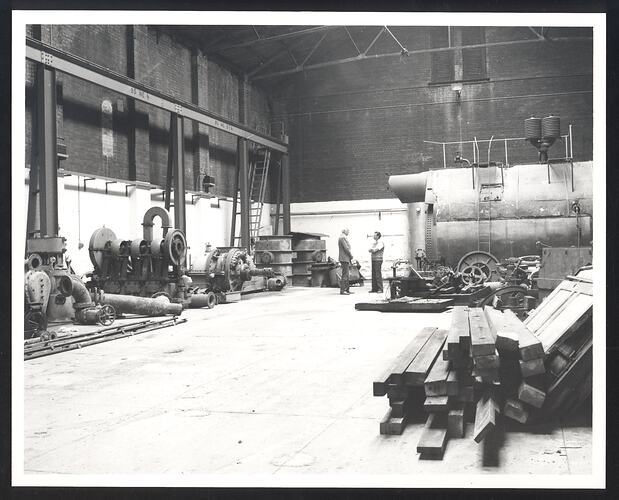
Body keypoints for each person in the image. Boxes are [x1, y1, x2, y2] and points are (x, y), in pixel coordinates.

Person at [338, 228, 354, 295]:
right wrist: (351, 255)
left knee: (346, 275)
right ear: (345, 231)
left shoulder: (342, 237)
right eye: (348, 231)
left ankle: (346, 289)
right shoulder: (343, 238)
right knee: (345, 274)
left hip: (345, 258)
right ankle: (343, 290)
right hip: (344, 258)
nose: (349, 232)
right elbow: (346, 248)